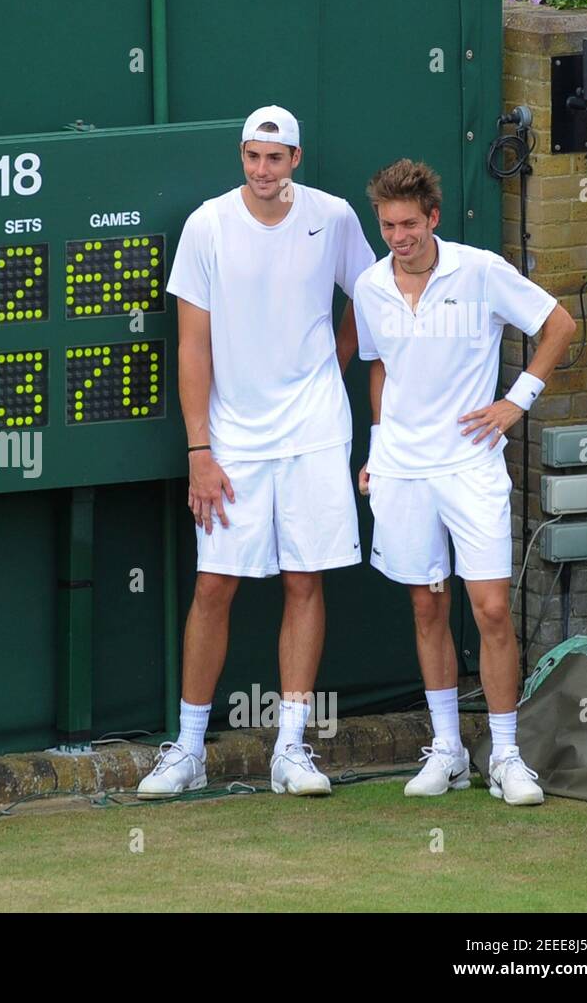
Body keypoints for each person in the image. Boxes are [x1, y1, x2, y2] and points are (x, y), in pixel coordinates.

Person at [139, 105, 375, 798]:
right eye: (252, 157)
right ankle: (186, 750)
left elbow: (371, 292)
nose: (262, 169)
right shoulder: (207, 225)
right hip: (231, 439)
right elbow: (191, 343)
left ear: (296, 160)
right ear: (241, 157)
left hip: (313, 429)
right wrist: (199, 448)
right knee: (215, 583)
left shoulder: (332, 218)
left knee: (305, 577)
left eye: (275, 158)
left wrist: (332, 361)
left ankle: (292, 749)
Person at [353, 158, 576, 805]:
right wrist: (376, 446)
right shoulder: (370, 287)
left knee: (492, 608)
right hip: (401, 468)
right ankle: (448, 750)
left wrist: (516, 400)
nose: (399, 236)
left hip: (472, 465)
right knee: (427, 604)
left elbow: (558, 323)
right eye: (389, 224)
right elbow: (380, 370)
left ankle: (505, 754)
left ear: (433, 218)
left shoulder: (479, 272)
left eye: (409, 224)